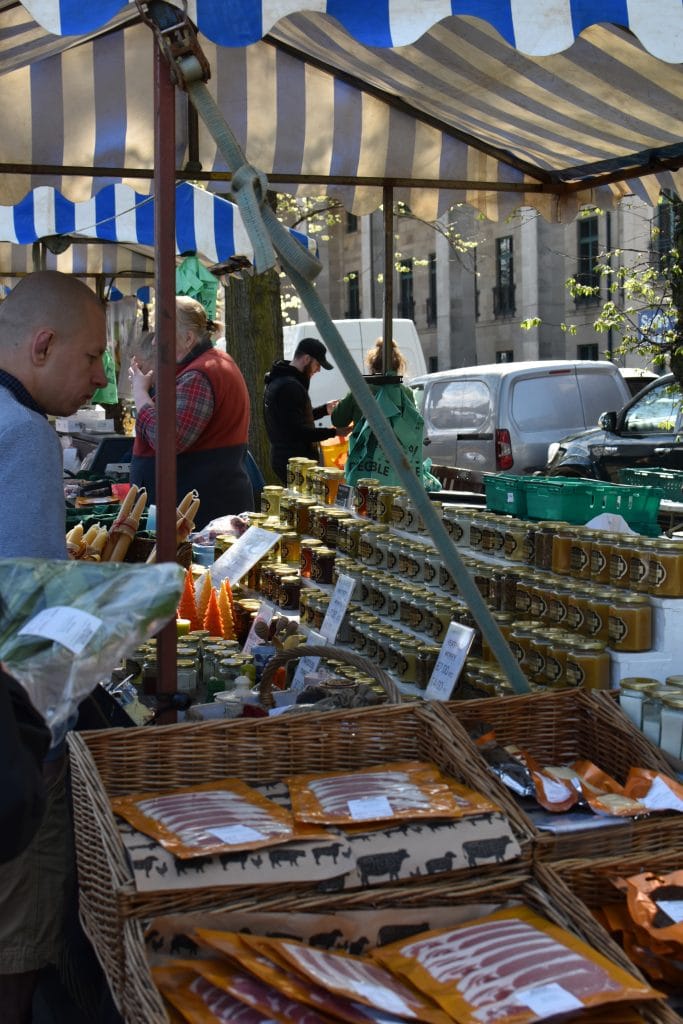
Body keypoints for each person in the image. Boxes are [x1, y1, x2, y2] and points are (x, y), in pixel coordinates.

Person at [0, 271, 109, 1023]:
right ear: (42, 345)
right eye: (93, 356)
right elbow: (33, 616)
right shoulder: (23, 434)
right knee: (18, 935)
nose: (99, 376)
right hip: (9, 733)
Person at [129, 296, 254, 529]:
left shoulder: (201, 373)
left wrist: (140, 393)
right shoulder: (206, 366)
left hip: (201, 513)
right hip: (199, 508)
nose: (155, 342)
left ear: (188, 338)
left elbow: (168, 440)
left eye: (162, 333)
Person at [331, 337, 439, 489]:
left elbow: (338, 420)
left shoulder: (360, 391)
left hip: (362, 468)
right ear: (397, 367)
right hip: (396, 471)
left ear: (372, 366)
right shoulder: (405, 394)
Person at [263, 336, 347, 484]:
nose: (319, 369)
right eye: (318, 364)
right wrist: (334, 432)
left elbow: (294, 420)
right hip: (295, 462)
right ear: (307, 359)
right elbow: (298, 431)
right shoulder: (290, 387)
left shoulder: (281, 380)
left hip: (288, 458)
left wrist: (324, 410)